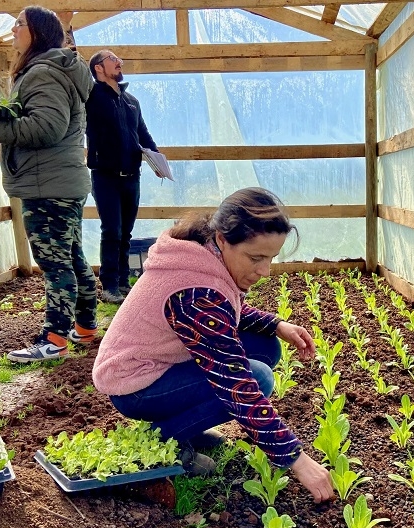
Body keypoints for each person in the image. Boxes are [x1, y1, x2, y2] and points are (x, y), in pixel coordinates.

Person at [92, 188, 335, 503]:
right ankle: (164, 439)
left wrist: (276, 325)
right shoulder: (195, 291)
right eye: (256, 257)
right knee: (257, 377)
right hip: (135, 384)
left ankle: (185, 427)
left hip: (158, 365)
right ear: (222, 239)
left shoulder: (204, 256)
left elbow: (225, 313)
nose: (265, 271)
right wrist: (295, 459)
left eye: (271, 258)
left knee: (266, 346)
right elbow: (235, 381)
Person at [0, 6, 98, 363]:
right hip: (62, 180)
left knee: (54, 263)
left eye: (20, 24)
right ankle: (86, 329)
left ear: (38, 33)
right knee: (71, 257)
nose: (13, 29)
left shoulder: (43, 73)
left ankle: (54, 339)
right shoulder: (60, 69)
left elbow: (45, 129)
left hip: (46, 183)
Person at [85, 49, 160, 304]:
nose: (119, 62)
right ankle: (108, 285)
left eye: (119, 60)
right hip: (105, 177)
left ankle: (123, 283)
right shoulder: (92, 97)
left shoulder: (131, 101)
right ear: (98, 68)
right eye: (113, 60)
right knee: (112, 231)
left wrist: (158, 160)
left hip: (132, 177)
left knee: (125, 232)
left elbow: (143, 134)